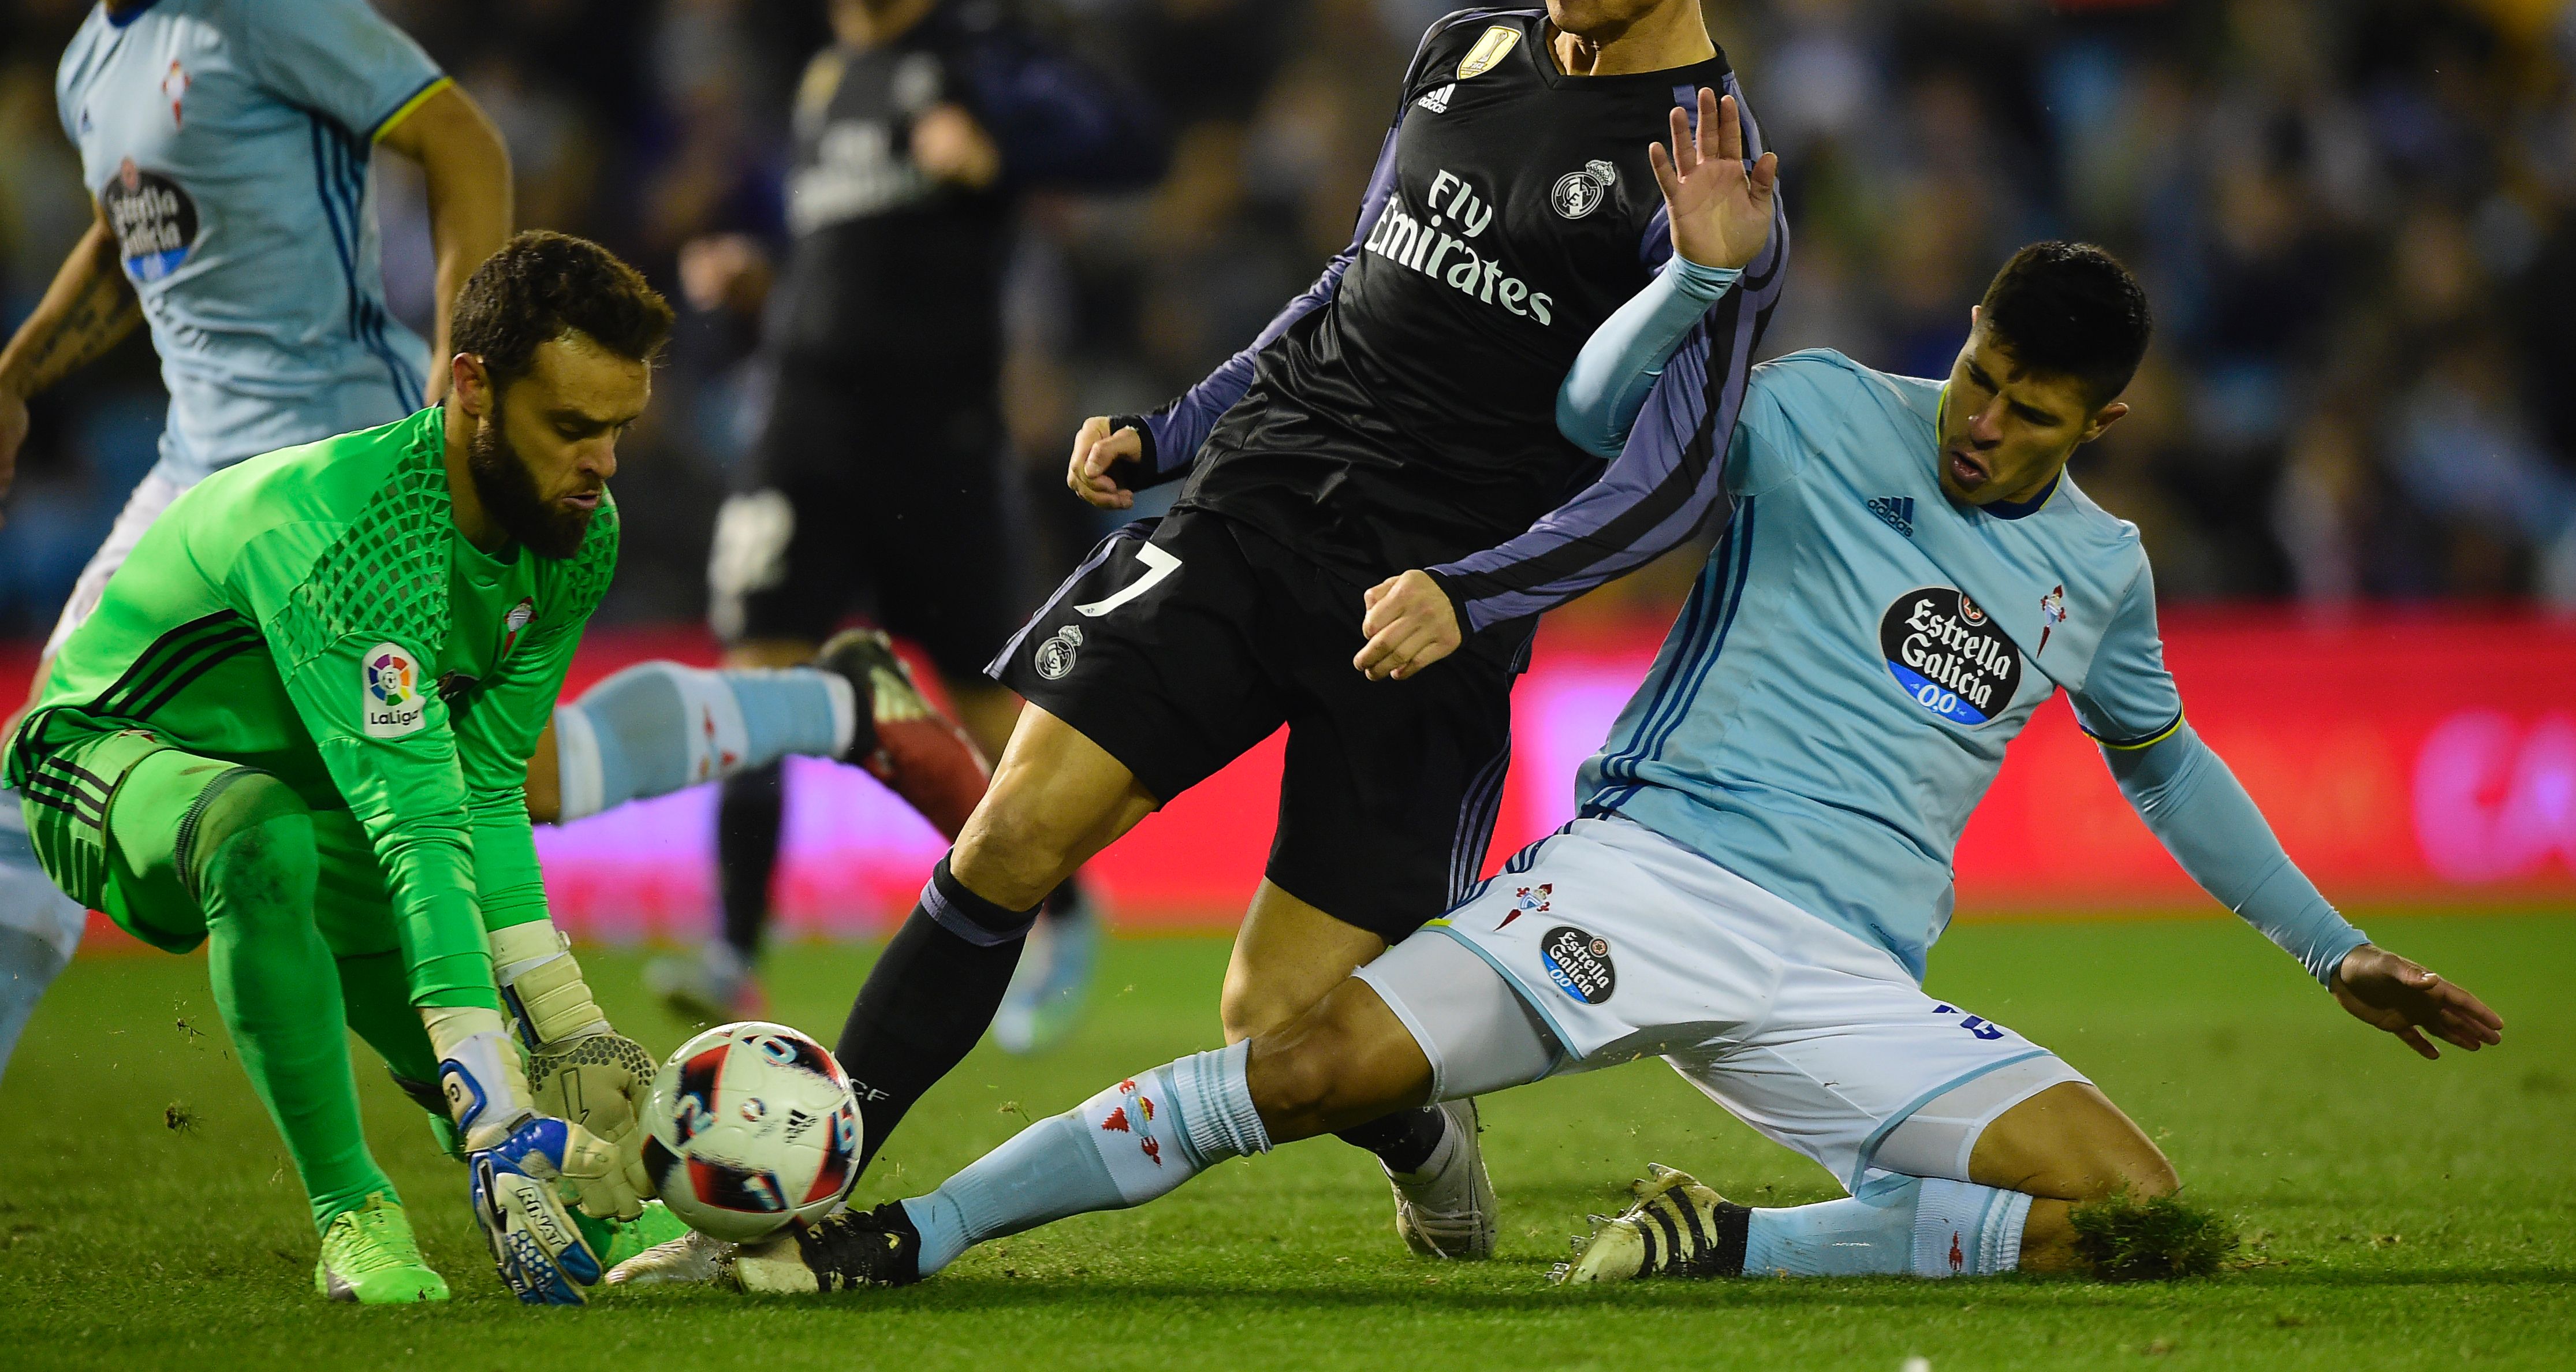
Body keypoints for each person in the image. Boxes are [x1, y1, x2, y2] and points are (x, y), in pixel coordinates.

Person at [665, 242, 2504, 1295]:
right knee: (1296, 1062)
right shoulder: (1807, 414)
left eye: (2028, 409)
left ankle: (1723, 1249)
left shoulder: (2096, 572)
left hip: (1842, 971)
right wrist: (1695, 282)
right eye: (1973, 374)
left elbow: (2167, 770)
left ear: (2100, 424)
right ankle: (910, 1229)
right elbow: (1586, 414)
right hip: (1634, 879)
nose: (1981, 418)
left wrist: (2329, 948)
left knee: (2131, 1207)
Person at [612, 0, 1792, 1285]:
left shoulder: (1709, 174)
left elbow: (1677, 472)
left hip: (1419, 605)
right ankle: (781, 1203)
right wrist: (1174, 433)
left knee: (1274, 1024)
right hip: (1254, 507)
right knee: (1012, 835)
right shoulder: (1460, 52)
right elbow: (1345, 288)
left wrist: (1476, 589)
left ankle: (1421, 1132)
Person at [4, 233, 681, 1304]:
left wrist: (568, 1022)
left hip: (325, 790)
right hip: (104, 757)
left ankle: (520, 1155)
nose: (600, 465)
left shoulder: (571, 533)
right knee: (258, 834)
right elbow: (419, 833)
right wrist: (498, 1097)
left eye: (618, 430)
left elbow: (487, 786)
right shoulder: (350, 539)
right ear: (471, 387)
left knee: (428, 991)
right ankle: (352, 1213)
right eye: (570, 428)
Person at [0, 0, 515, 1080]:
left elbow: (459, 138)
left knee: (432, 824)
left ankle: (526, 1118)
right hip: (193, 482)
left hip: (333, 461)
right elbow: (133, 238)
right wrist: (17, 371)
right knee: (47, 765)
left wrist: (460, 389)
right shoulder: (85, 70)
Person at [650, 0, 1169, 1048]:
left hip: (934, 441)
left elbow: (1132, 144)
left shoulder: (976, 54)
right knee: (755, 678)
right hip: (803, 433)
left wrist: (1002, 147)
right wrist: (763, 289)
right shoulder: (823, 86)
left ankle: (1060, 904)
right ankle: (730, 951)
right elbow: (857, 259)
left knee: (994, 714)